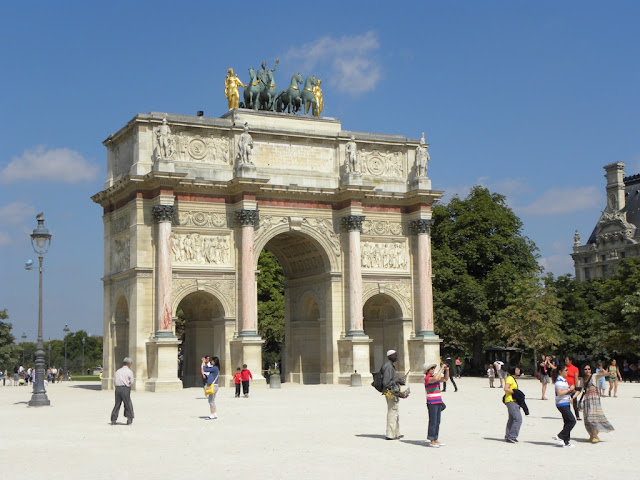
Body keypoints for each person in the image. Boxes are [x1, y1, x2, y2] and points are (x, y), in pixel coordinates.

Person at [580, 364, 614, 442]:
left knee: (592, 417)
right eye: (585, 369)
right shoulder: (582, 379)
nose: (587, 371)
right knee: (587, 418)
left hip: (594, 399)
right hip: (587, 399)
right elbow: (581, 389)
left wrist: (604, 371)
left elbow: (605, 374)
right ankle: (591, 436)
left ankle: (595, 436)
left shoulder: (594, 376)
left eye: (589, 369)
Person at [381, 349, 406, 440]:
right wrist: (397, 380)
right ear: (390, 356)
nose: (396, 357)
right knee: (392, 411)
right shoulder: (388, 367)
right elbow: (386, 382)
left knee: (395, 412)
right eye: (395, 355)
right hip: (390, 392)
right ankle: (390, 434)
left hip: (393, 391)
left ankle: (396, 432)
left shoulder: (390, 365)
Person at [552, 364, 577, 447]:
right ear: (560, 371)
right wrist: (569, 389)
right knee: (572, 420)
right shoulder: (559, 381)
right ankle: (561, 436)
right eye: (565, 370)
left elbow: (565, 391)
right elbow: (559, 393)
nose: (567, 372)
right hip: (561, 403)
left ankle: (566, 441)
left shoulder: (564, 380)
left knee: (567, 421)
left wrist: (571, 391)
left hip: (566, 402)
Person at [424, 362, 448, 447]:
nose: (433, 370)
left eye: (434, 368)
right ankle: (431, 440)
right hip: (432, 402)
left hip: (438, 401)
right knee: (433, 421)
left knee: (437, 421)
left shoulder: (434, 377)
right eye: (432, 368)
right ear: (427, 370)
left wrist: (447, 370)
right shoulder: (427, 378)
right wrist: (441, 369)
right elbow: (436, 379)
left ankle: (435, 438)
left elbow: (445, 379)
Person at [110, 357, 135, 426]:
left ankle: (113, 419)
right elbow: (132, 381)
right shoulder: (129, 371)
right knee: (127, 404)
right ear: (129, 363)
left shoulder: (118, 371)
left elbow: (114, 380)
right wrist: (129, 385)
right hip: (125, 388)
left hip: (118, 389)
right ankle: (129, 419)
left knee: (117, 404)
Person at [503, 365, 522, 443]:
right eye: (517, 369)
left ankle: (508, 436)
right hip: (511, 400)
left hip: (512, 400)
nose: (519, 370)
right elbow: (506, 388)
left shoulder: (512, 378)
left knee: (512, 419)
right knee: (518, 419)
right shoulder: (510, 378)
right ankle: (512, 436)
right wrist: (515, 393)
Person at [203, 356, 220, 420]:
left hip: (213, 386)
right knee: (212, 400)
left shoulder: (215, 368)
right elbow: (208, 368)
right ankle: (214, 413)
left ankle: (212, 414)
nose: (211, 361)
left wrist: (203, 363)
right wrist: (206, 363)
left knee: (211, 400)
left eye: (212, 361)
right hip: (215, 385)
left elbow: (205, 369)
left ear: (214, 361)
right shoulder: (215, 368)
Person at [565, 356, 581, 421]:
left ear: (570, 361)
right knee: (566, 401)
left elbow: (576, 378)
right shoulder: (564, 368)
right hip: (565, 386)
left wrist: (576, 387)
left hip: (572, 386)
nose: (565, 361)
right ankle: (567, 415)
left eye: (567, 360)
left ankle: (577, 416)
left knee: (574, 401)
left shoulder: (575, 368)